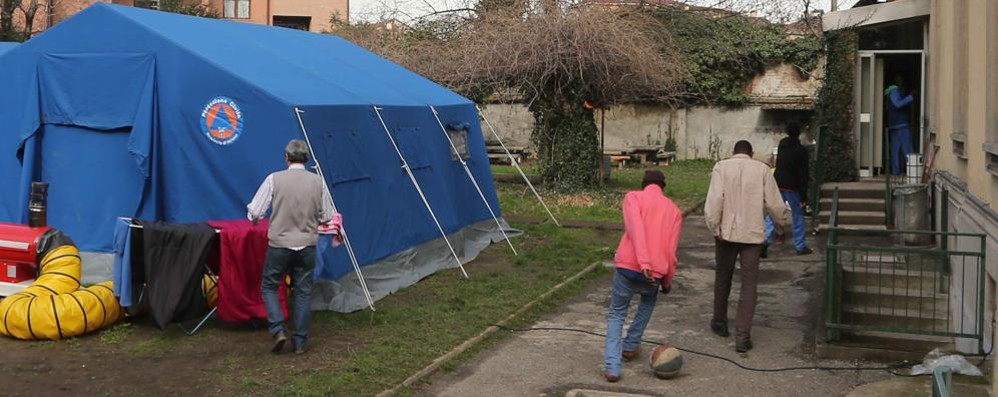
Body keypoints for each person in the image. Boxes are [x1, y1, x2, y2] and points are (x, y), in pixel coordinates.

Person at [247, 139, 337, 355]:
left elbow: (256, 212)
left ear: (286, 157)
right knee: (303, 292)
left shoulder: (274, 179)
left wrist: (254, 219)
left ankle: (278, 329)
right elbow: (327, 216)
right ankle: (300, 342)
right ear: (306, 159)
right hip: (306, 245)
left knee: (269, 286)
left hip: (280, 243)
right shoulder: (318, 182)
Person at [704, 141, 790, 353]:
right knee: (749, 285)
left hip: (726, 233)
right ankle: (742, 336)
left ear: (733, 152)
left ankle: (720, 322)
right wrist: (781, 227)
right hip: (752, 234)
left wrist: (715, 228)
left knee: (722, 278)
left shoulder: (721, 167)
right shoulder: (762, 170)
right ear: (751, 153)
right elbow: (774, 204)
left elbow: (714, 201)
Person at [604, 170, 683, 382]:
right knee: (647, 304)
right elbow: (671, 252)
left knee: (617, 313)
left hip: (629, 266)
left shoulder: (633, 198)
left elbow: (635, 229)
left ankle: (613, 366)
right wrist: (666, 281)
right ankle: (630, 346)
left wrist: (643, 262)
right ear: (663, 187)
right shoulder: (674, 211)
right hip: (655, 272)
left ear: (643, 184)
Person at [764, 124, 813, 257]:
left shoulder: (782, 146)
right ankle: (800, 246)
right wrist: (804, 196)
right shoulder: (801, 150)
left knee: (773, 213)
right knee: (798, 216)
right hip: (794, 187)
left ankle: (764, 240)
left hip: (778, 183)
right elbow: (803, 174)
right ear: (799, 134)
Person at [886, 74, 915, 176]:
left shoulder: (890, 92)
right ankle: (912, 172)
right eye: (899, 79)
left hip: (894, 125)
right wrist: (910, 97)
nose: (901, 81)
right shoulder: (894, 91)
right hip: (901, 124)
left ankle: (896, 173)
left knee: (895, 150)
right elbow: (898, 104)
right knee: (908, 149)